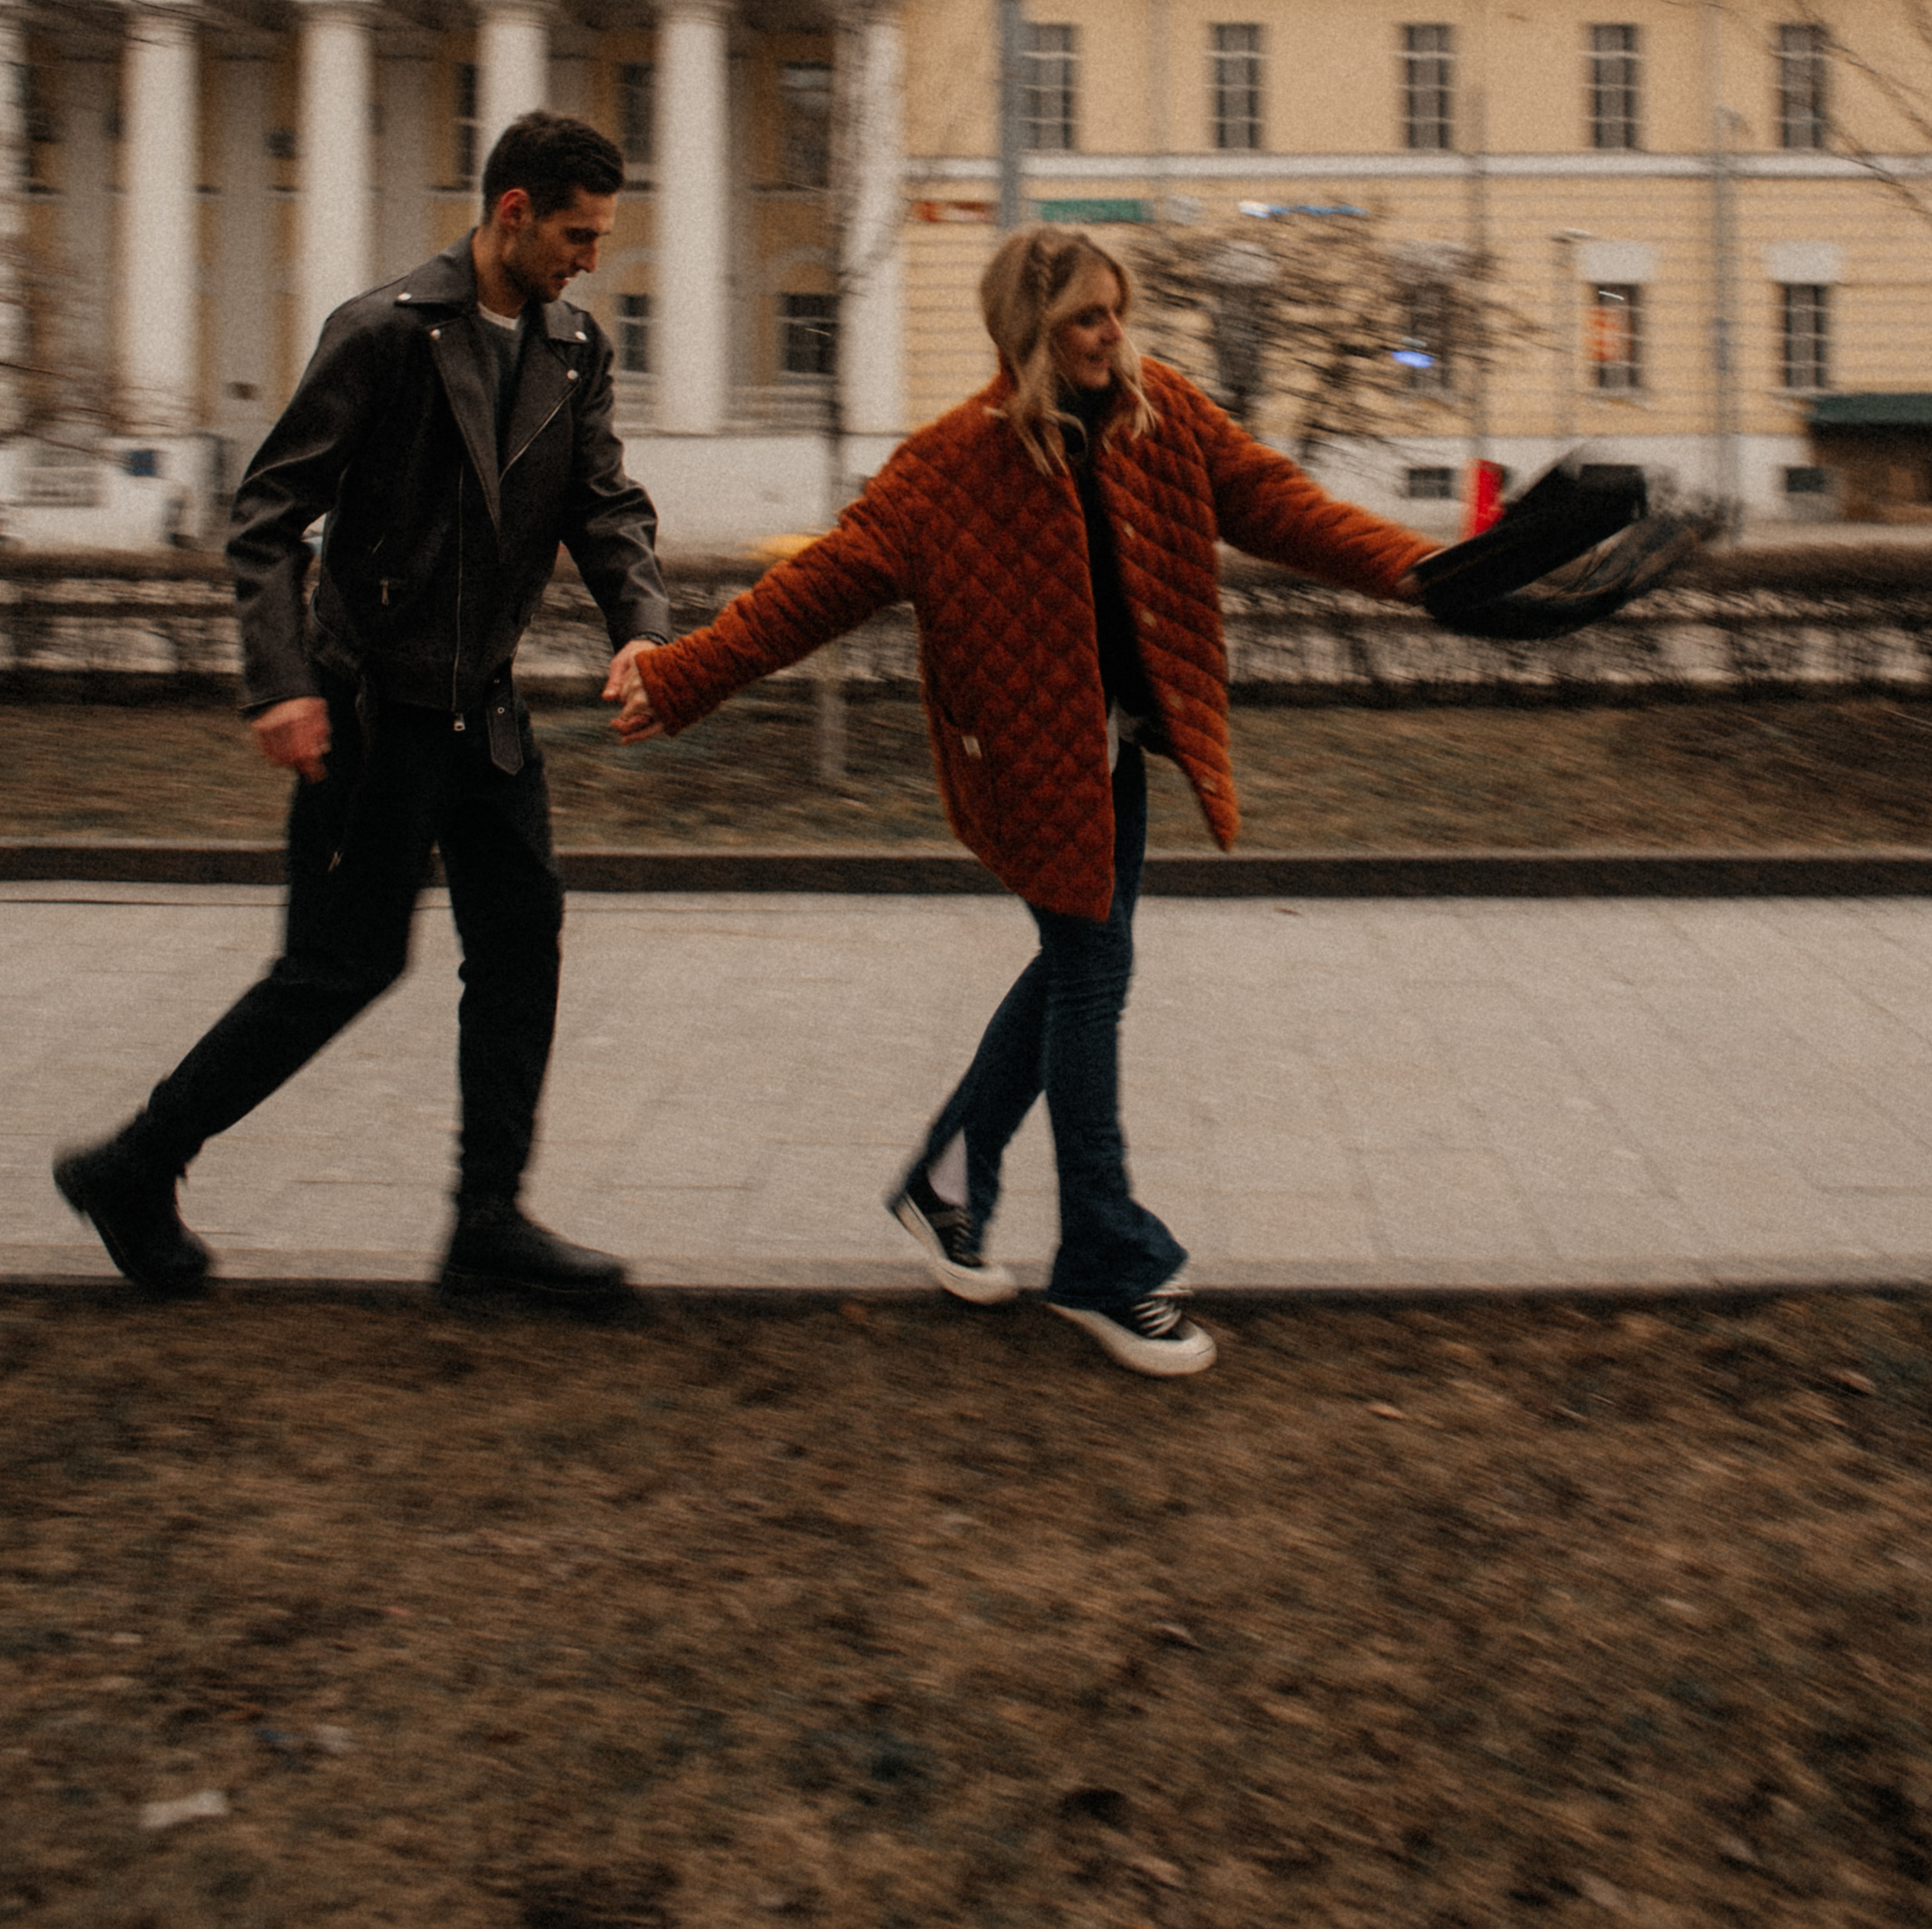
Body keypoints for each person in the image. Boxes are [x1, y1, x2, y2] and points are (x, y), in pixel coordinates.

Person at [610, 222, 1434, 1380]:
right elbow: (819, 586)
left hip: (1126, 744)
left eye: (1115, 311)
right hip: (1033, 763)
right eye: (1084, 319)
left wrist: (1425, 571)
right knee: (1095, 978)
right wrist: (682, 674)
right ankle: (1104, 1260)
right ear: (1029, 334)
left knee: (1073, 971)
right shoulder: (951, 465)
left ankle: (946, 1185)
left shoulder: (1163, 414)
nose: (1110, 335)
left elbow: (1283, 503)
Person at [54, 110, 670, 1302]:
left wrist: (643, 627)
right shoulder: (383, 333)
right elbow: (267, 517)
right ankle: (134, 1164)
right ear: (512, 212)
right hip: (369, 709)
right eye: (578, 235)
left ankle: (487, 1221)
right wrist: (282, 682)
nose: (591, 258)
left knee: (519, 945)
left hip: (483, 717)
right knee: (338, 967)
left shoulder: (575, 347)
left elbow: (605, 505)